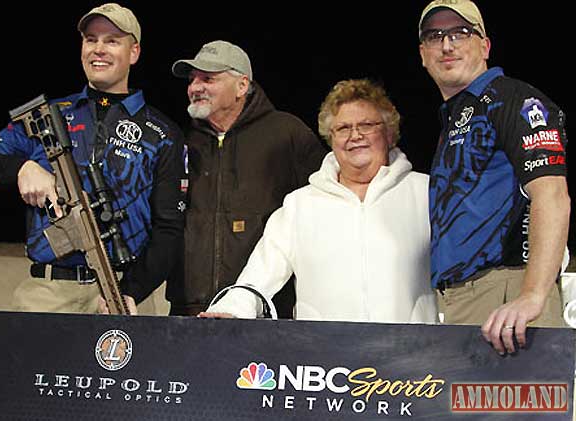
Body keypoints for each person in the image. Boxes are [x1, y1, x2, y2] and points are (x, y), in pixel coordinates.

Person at [0, 3, 186, 314]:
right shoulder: (47, 117)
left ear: (134, 52)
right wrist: (21, 169)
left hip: (124, 295)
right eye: (91, 39)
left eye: (112, 40)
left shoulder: (163, 133)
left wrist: (131, 292)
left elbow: (170, 227)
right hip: (45, 295)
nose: (98, 49)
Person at [199, 79, 437, 323]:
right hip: (326, 355)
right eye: (343, 128)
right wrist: (232, 309)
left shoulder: (426, 193)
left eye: (367, 125)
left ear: (388, 133)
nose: (355, 135)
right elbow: (260, 273)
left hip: (412, 354)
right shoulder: (300, 205)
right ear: (330, 138)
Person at [418, 0, 570, 354]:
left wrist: (532, 295)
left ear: (485, 45)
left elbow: (552, 196)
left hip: (508, 297)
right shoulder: (457, 115)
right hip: (466, 301)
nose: (447, 44)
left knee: (519, 409)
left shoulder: (514, 100)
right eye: (434, 36)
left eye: (460, 33)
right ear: (423, 54)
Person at [146, 40, 326, 317]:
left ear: (242, 85)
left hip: (266, 309)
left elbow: (322, 210)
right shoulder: (180, 141)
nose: (195, 87)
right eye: (192, 80)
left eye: (208, 79)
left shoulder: (288, 135)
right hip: (189, 309)